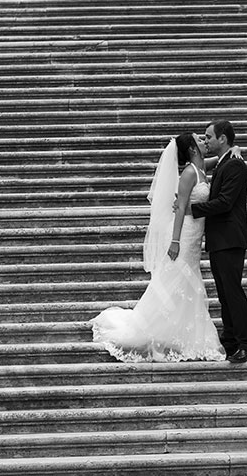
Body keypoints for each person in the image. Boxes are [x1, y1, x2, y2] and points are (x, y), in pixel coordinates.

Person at [89, 133, 236, 363]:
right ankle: (157, 327)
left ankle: (179, 331)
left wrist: (235, 151)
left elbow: (221, 158)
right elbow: (179, 209)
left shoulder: (200, 167)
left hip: (196, 235)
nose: (205, 141)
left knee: (186, 279)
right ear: (192, 149)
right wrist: (175, 241)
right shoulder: (189, 173)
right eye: (200, 139)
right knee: (177, 278)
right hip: (185, 233)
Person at [191, 120, 247, 363]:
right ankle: (230, 341)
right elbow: (191, 161)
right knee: (224, 295)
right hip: (220, 240)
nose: (206, 141)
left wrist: (192, 209)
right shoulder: (224, 161)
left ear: (223, 139)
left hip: (230, 239)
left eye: (209, 137)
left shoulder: (235, 166)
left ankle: (245, 345)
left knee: (232, 292)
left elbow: (225, 203)